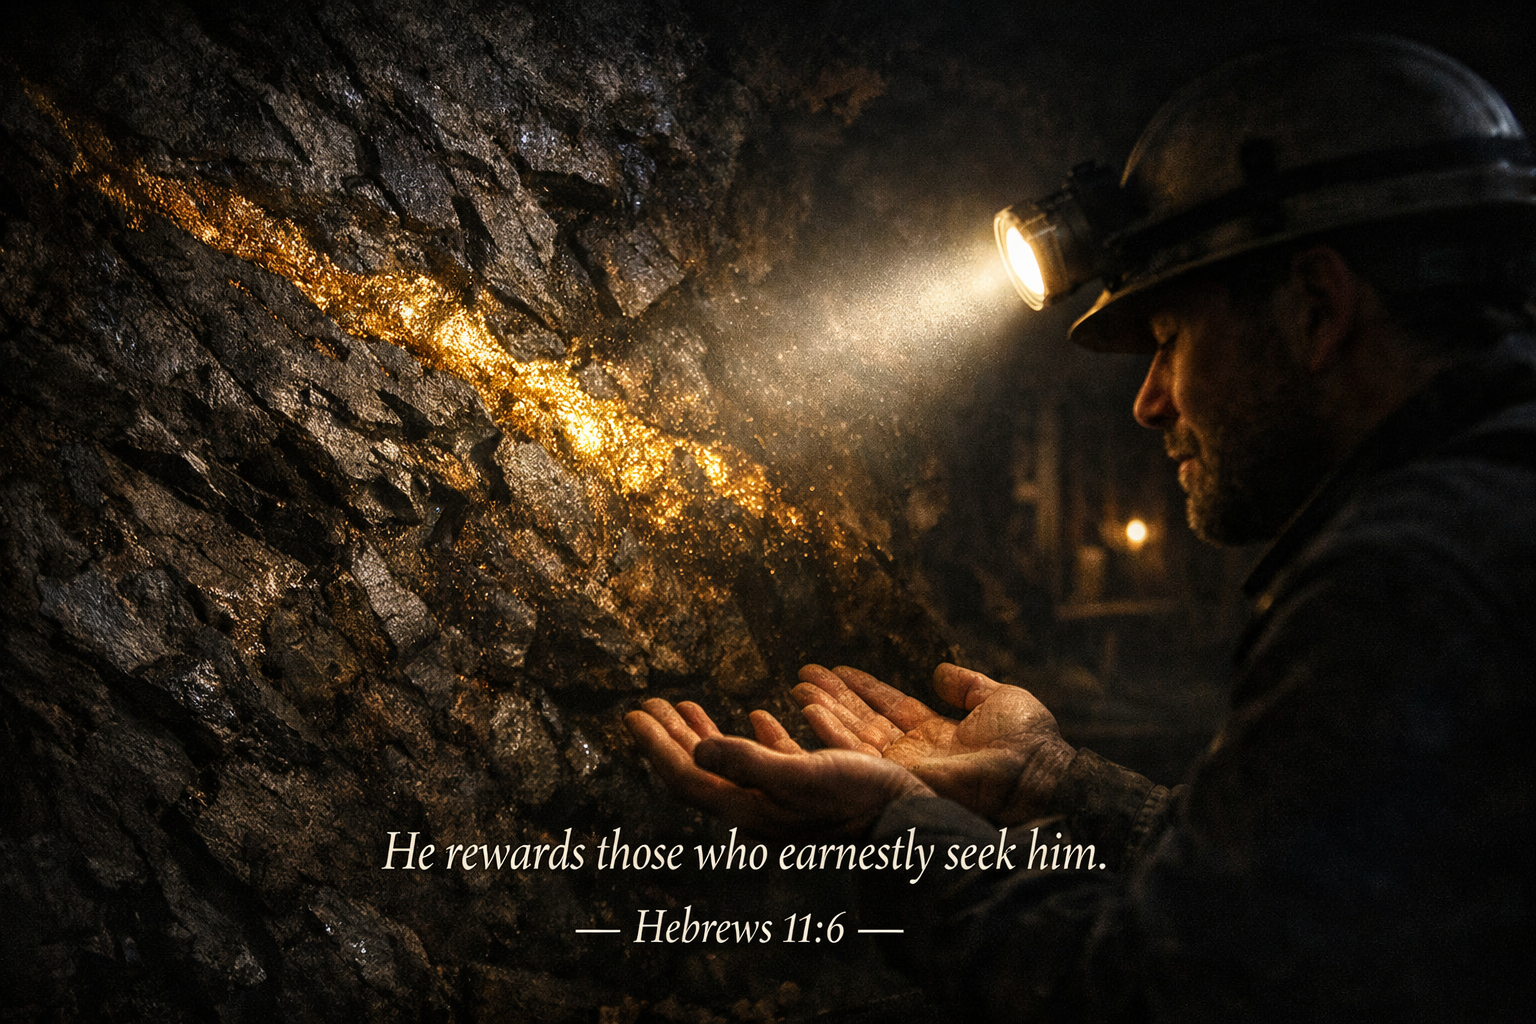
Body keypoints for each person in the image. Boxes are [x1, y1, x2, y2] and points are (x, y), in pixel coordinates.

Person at [627, 36, 1536, 1021]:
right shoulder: (1489, 505)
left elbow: (1156, 992)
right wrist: (1054, 780)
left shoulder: (1409, 577)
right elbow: (1294, 892)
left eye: (1170, 338)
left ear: (1316, 307)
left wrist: (890, 822)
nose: (1149, 403)